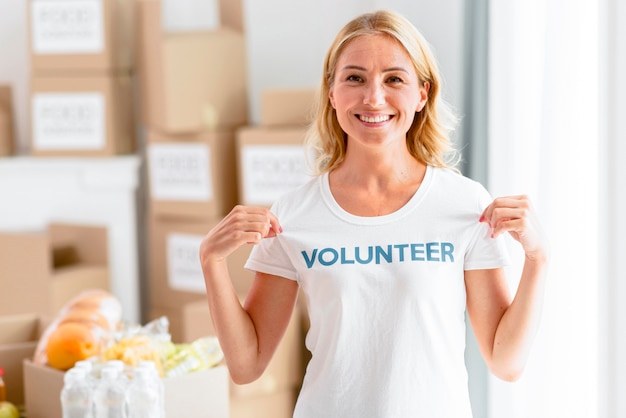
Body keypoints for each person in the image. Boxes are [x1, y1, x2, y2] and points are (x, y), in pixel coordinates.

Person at [200, 9, 548, 418]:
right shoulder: (295, 214)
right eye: (354, 78)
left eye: (394, 79)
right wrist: (211, 260)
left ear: (422, 93)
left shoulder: (465, 205)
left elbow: (506, 363)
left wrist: (538, 258)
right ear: (332, 93)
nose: (373, 97)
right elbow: (246, 365)